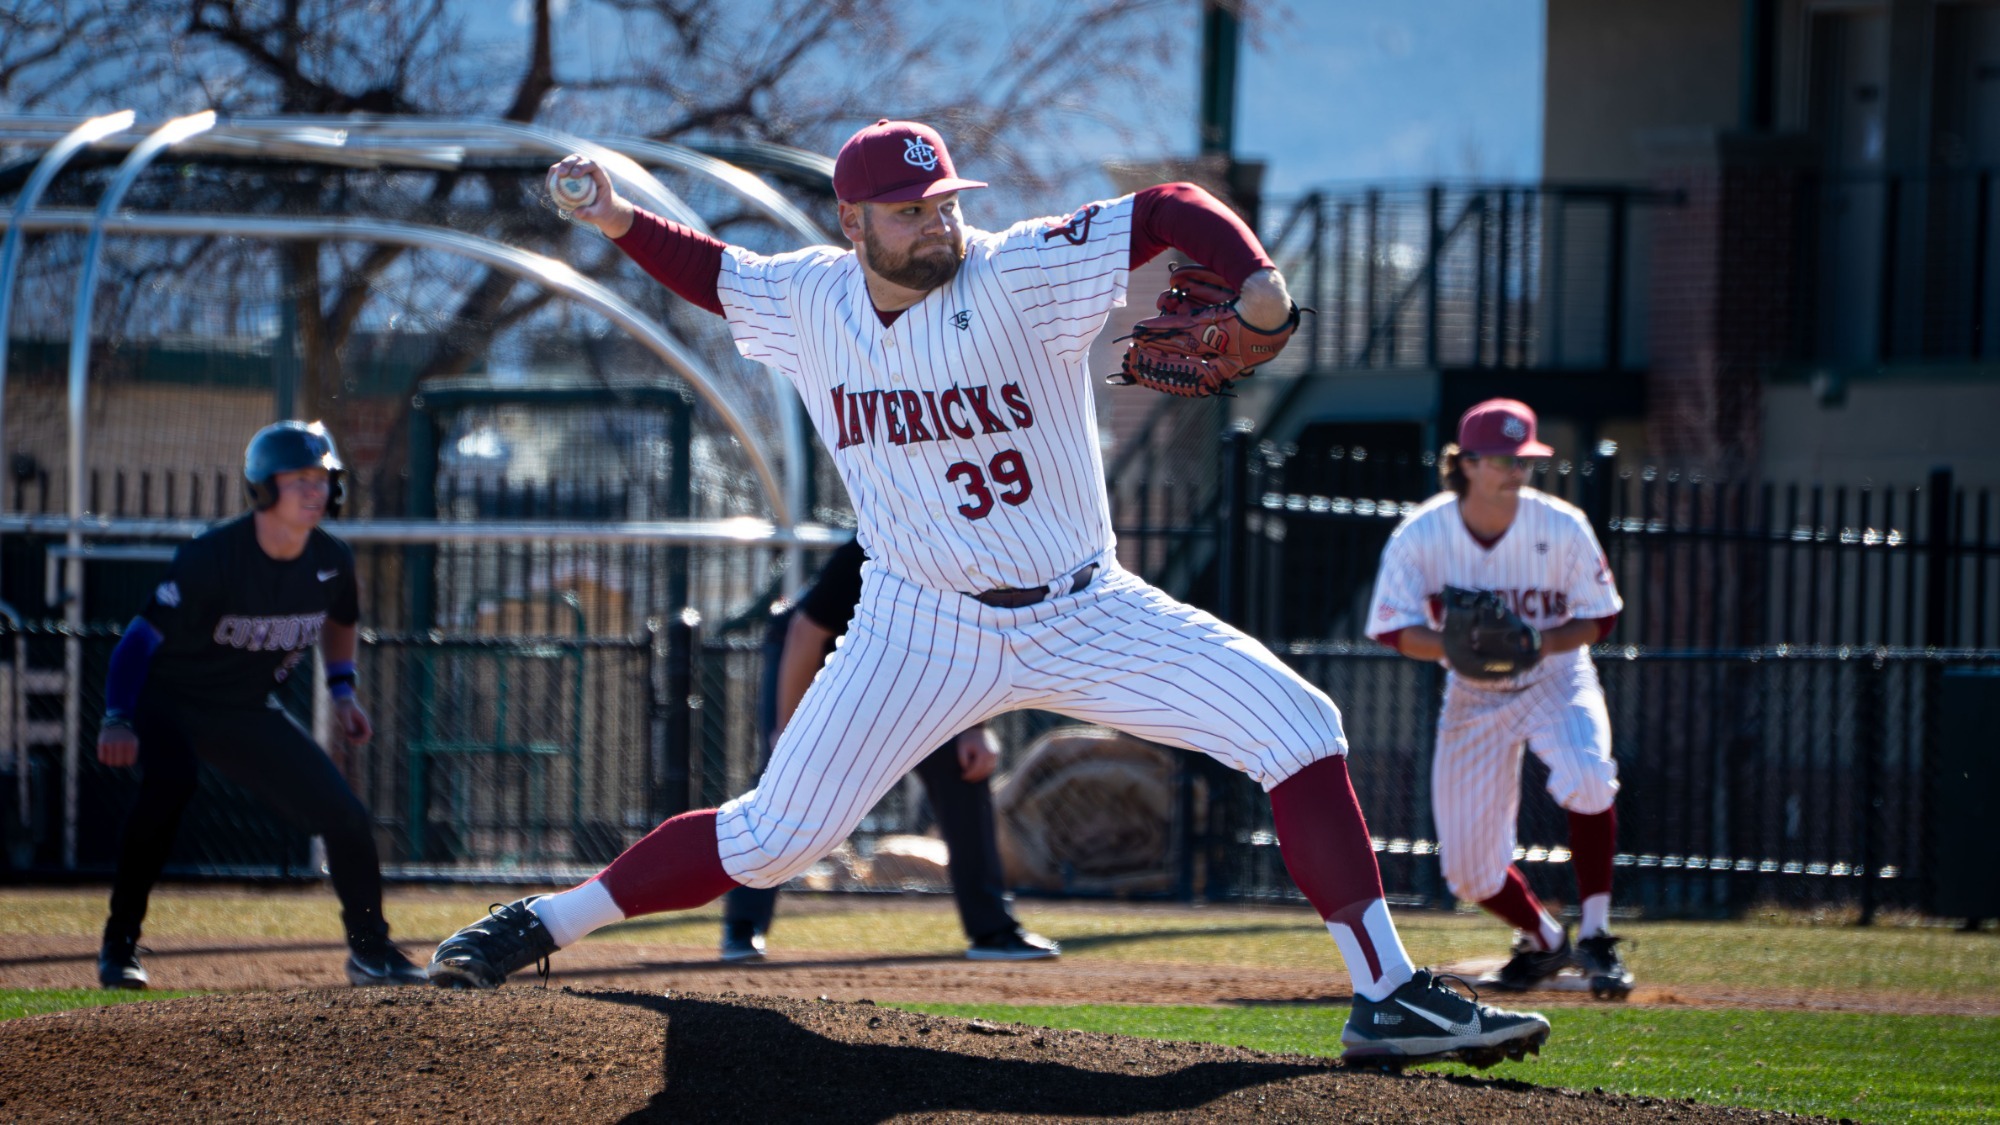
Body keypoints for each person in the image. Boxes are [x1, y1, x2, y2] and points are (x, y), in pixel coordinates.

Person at [429, 119, 1552, 1067]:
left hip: (1084, 608)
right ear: (852, 223)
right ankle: (543, 921)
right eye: (908, 211)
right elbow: (713, 274)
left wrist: (1257, 283)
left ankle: (1384, 993)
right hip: (917, 622)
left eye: (944, 203)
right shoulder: (810, 299)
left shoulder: (1018, 272)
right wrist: (617, 218)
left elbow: (1168, 208)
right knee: (773, 837)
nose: (937, 224)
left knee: (1300, 727)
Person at [94, 421, 427, 989]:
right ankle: (118, 946)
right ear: (265, 487)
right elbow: (137, 641)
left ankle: (372, 952)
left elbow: (342, 622)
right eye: (299, 479)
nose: (316, 490)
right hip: (169, 700)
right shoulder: (213, 556)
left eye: (322, 479)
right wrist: (117, 717)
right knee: (169, 785)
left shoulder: (331, 559)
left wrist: (342, 692)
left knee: (345, 815)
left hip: (244, 708)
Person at [1364, 399, 1634, 999]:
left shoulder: (1560, 525)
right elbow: (1390, 627)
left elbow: (1601, 618)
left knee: (1590, 776)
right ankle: (1545, 941)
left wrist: (1538, 643)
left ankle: (1596, 936)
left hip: (1555, 678)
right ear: (1466, 463)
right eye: (1503, 459)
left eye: (1524, 459)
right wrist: (1452, 647)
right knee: (1469, 874)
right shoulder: (1425, 533)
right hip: (1473, 693)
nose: (1517, 469)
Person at [721, 539, 1058, 963]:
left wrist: (975, 730)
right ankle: (743, 925)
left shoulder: (968, 558)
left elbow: (972, 649)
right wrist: (788, 735)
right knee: (785, 785)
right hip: (818, 657)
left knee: (962, 767)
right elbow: (806, 635)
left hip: (911, 669)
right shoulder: (876, 546)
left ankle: (993, 929)